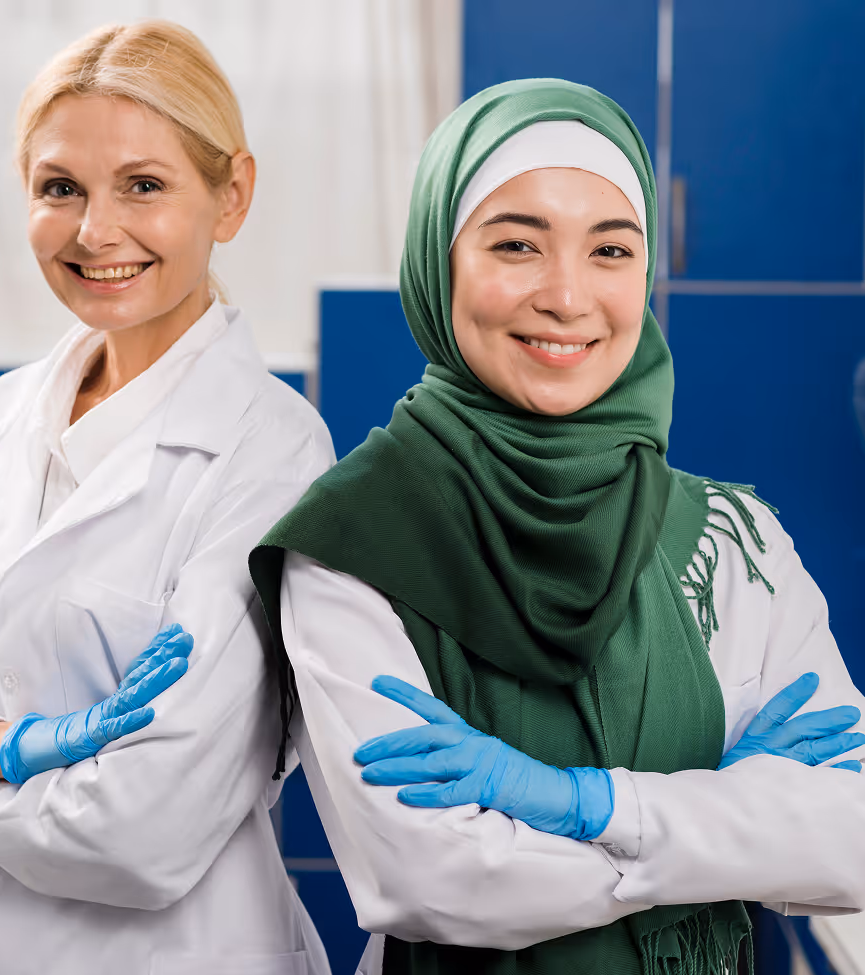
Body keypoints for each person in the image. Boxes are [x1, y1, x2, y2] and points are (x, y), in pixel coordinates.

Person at [249, 79, 865, 973]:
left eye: (611, 249)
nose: (568, 296)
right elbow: (433, 880)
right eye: (516, 245)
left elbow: (846, 835)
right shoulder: (351, 547)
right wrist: (722, 821)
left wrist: (584, 804)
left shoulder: (735, 540)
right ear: (436, 261)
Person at [0, 21, 333, 975]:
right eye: (60, 188)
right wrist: (1, 745)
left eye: (144, 186)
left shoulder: (272, 453)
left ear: (229, 194)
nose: (94, 231)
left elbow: (147, 834)